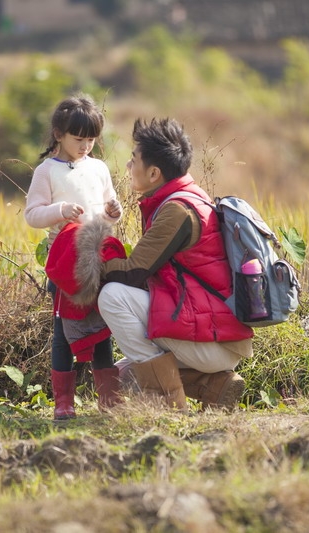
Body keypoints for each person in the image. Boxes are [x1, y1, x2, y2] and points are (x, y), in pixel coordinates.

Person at [97, 117, 253, 412]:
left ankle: (168, 407)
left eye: (133, 161)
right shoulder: (187, 197)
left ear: (154, 172)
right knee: (121, 376)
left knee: (112, 295)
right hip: (217, 333)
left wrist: (81, 273)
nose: (129, 168)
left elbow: (133, 272)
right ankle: (215, 386)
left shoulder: (177, 210)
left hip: (213, 340)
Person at [24, 93, 122, 420]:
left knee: (102, 329)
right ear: (58, 135)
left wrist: (113, 211)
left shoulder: (98, 168)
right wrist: (60, 210)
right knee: (64, 331)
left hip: (97, 258)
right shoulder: (47, 172)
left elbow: (108, 208)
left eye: (91, 140)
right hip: (65, 262)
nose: (85, 146)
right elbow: (33, 215)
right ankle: (64, 402)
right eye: (78, 139)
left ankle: (109, 400)